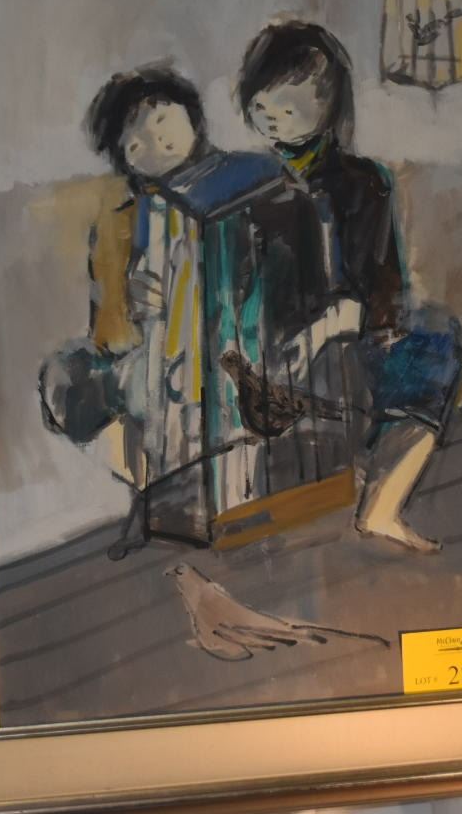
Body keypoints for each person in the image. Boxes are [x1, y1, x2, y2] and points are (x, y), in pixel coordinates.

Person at [235, 20, 462, 553]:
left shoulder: (364, 182)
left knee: (435, 336)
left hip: (350, 341)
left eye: (287, 108)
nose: (272, 120)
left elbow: (383, 295)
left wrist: (333, 325)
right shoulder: (249, 191)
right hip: (269, 355)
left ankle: (383, 503)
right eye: (262, 108)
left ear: (328, 106)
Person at [39, 66, 283, 557]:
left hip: (244, 352)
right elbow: (109, 332)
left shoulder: (253, 178)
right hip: (162, 361)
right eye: (136, 140)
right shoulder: (126, 220)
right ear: (127, 159)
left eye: (162, 120)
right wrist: (133, 303)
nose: (156, 140)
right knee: (69, 377)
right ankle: (155, 488)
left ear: (192, 117)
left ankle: (176, 493)